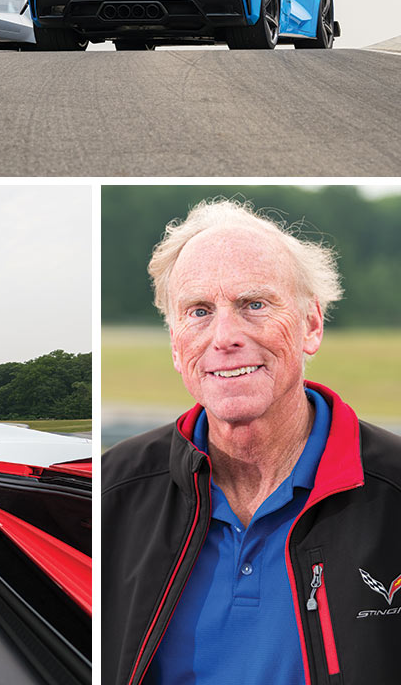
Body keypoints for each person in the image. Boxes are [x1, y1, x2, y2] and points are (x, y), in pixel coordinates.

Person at [103, 198, 401, 685]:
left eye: (254, 304)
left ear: (311, 325)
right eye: (199, 311)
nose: (225, 336)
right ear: (177, 345)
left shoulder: (393, 488)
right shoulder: (112, 492)